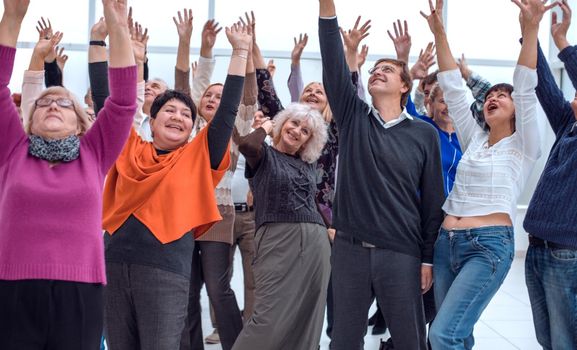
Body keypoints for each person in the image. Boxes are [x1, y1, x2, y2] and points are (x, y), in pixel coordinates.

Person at [101, 22, 251, 349]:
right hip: (112, 265)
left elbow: (225, 114)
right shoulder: (129, 149)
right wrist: (103, 42)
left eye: (186, 114)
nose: (178, 117)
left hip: (166, 272)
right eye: (169, 110)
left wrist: (240, 52)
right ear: (151, 121)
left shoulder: (198, 157)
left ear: (191, 127)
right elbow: (108, 100)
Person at [0, 1, 137, 349]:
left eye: (63, 103)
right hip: (13, 285)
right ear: (29, 120)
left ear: (80, 122)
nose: (52, 106)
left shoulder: (94, 153)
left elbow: (122, 101)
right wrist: (12, 17)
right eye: (44, 102)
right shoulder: (13, 150)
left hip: (80, 290)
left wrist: (117, 28)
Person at [319, 1, 446, 349]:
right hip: (349, 250)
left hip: (401, 253)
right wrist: (327, 8)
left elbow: (433, 201)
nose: (377, 72)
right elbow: (333, 68)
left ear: (405, 86)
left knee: (409, 340)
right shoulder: (353, 117)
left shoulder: (424, 134)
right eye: (374, 68)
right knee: (344, 340)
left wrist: (427, 258)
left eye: (388, 69)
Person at [422, 0, 546, 348]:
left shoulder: (524, 146)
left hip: (488, 245)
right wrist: (439, 34)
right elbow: (453, 88)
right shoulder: (473, 138)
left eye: (502, 96)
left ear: (516, 109)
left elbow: (525, 86)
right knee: (457, 332)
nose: (494, 97)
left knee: (443, 333)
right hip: (446, 244)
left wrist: (531, 29)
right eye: (490, 95)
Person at [232, 103, 330, 350]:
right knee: (267, 318)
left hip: (317, 243)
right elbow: (247, 145)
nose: (297, 131)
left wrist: (329, 227)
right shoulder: (263, 155)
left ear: (309, 141)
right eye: (294, 123)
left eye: (305, 131)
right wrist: (266, 126)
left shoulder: (307, 165)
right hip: (277, 238)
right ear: (282, 123)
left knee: (308, 317)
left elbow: (313, 202)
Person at [524, 1, 577, 349]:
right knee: (547, 340)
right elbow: (543, 86)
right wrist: (530, 33)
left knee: (564, 342)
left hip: (566, 252)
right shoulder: (568, 128)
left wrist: (563, 43)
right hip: (537, 248)